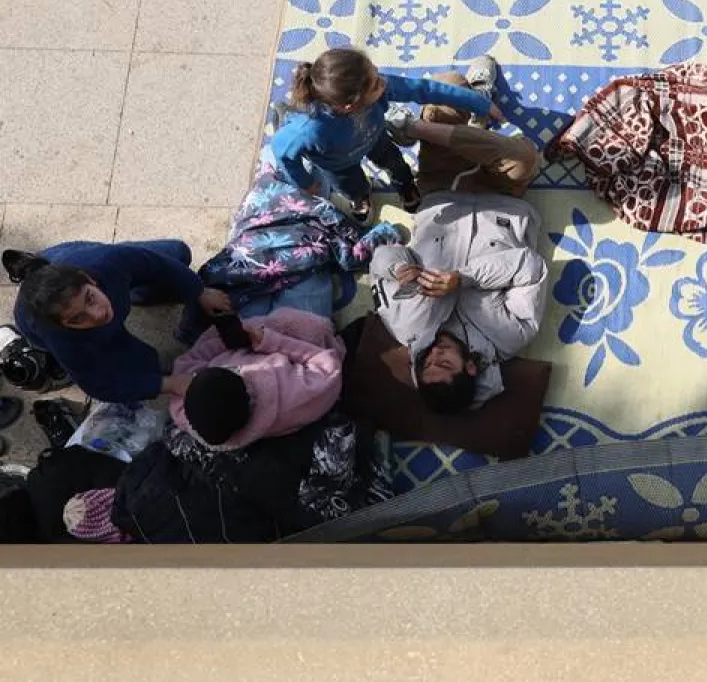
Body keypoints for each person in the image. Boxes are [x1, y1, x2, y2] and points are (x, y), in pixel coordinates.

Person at [371, 65, 546, 414]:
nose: (435, 353)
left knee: (447, 83)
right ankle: (461, 117)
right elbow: (530, 266)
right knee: (525, 157)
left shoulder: (406, 325)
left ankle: (467, 114)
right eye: (446, 363)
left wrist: (400, 268)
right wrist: (464, 279)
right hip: (504, 196)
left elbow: (379, 260)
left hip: (441, 188)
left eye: (427, 363)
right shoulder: (510, 334)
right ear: (470, 368)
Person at [270, 47, 505, 222]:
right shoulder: (307, 129)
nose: (383, 82)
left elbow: (426, 90)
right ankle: (361, 198)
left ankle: (405, 187)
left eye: (375, 72)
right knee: (352, 185)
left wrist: (480, 103)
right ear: (350, 105)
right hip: (337, 164)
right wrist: (305, 182)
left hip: (375, 138)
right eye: (375, 84)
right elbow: (282, 152)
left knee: (397, 165)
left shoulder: (379, 86)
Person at [3, 241, 233, 404]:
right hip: (41, 320)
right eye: (78, 318)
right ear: (64, 325)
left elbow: (156, 263)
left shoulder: (106, 261)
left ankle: (139, 293)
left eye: (90, 298)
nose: (98, 314)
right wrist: (168, 385)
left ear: (90, 279)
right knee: (140, 366)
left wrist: (199, 291)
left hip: (67, 257)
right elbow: (99, 385)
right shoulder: (62, 338)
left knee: (178, 252)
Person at [168, 308, 345, 450]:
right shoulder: (295, 397)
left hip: (248, 337)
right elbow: (329, 369)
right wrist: (269, 340)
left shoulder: (203, 425)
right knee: (308, 283)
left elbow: (181, 379)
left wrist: (226, 340)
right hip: (291, 337)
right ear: (240, 375)